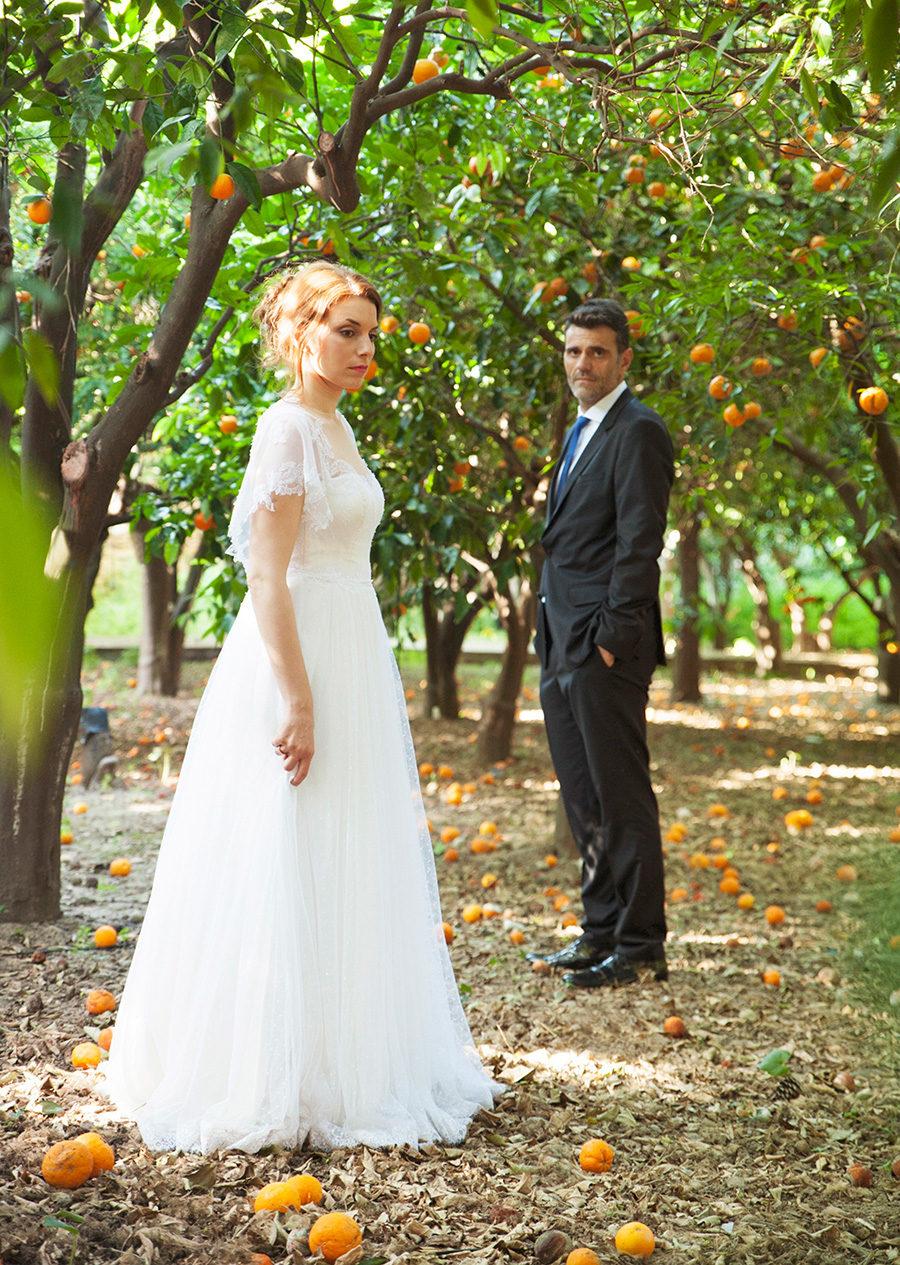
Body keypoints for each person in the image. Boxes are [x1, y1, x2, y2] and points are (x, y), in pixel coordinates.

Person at [105, 261, 496, 1152]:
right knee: (286, 837)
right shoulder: (288, 428)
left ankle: (340, 1052)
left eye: (368, 332)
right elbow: (265, 575)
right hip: (298, 656)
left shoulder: (337, 424)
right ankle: (266, 1064)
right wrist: (298, 697)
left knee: (345, 844)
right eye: (345, 330)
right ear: (301, 333)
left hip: (350, 643)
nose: (363, 347)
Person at [529, 298, 674, 989]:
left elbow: (640, 542)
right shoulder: (583, 426)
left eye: (596, 352)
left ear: (622, 359)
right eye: (572, 351)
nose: (582, 364)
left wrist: (612, 639)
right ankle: (601, 932)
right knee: (583, 795)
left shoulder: (639, 430)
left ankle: (642, 943)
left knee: (620, 795)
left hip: (603, 644)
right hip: (561, 637)